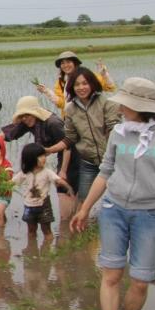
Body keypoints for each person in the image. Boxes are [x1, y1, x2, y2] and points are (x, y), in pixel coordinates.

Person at [71, 78, 155, 310]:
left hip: (150, 215)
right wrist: (85, 208)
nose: (120, 109)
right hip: (114, 210)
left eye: (125, 105)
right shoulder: (119, 133)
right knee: (111, 276)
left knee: (141, 282)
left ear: (142, 107)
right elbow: (105, 171)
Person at [42, 67, 121, 206]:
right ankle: (82, 224)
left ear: (92, 84)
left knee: (119, 200)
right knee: (83, 202)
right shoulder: (70, 109)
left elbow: (114, 130)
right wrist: (49, 150)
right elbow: (70, 138)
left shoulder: (107, 103)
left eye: (85, 83)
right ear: (71, 87)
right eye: (77, 84)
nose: (81, 87)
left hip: (113, 161)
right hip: (88, 162)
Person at [13, 143, 73, 240]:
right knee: (31, 230)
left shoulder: (47, 172)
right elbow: (12, 182)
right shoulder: (24, 173)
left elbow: (57, 179)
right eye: (40, 156)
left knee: (47, 230)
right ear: (30, 159)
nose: (44, 158)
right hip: (29, 206)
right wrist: (0, 186)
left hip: (44, 205)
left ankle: (47, 251)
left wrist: (68, 187)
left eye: (44, 155)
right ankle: (31, 250)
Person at [36, 50, 115, 112]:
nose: (65, 65)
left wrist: (104, 74)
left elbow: (110, 88)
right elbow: (62, 104)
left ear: (75, 63)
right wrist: (46, 91)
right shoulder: (61, 83)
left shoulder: (88, 76)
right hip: (71, 119)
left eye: (68, 62)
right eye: (62, 63)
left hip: (92, 116)